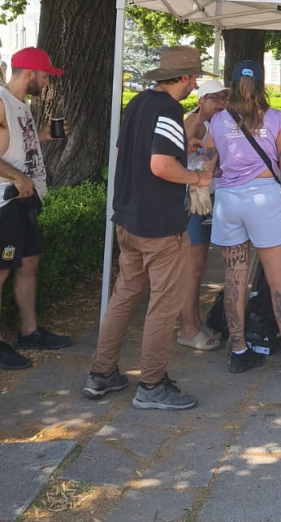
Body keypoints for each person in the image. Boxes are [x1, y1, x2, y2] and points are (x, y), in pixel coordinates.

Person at [83, 46, 213, 409]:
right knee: (163, 305)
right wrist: (198, 178)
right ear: (183, 77)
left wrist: (182, 145)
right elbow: (160, 165)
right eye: (193, 78)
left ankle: (101, 373)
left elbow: (129, 153)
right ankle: (152, 385)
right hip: (159, 226)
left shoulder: (138, 103)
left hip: (128, 219)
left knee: (124, 297)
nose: (194, 85)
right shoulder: (169, 109)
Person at [208, 59, 281, 380]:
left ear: (232, 84)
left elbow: (209, 161)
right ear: (262, 84)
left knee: (234, 280)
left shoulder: (218, 120)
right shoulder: (275, 118)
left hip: (228, 200)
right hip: (263, 199)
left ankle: (239, 352)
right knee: (278, 280)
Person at [0, 47, 72, 370]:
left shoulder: (21, 105)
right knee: (1, 269)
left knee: (28, 263)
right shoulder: (2, 102)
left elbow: (14, 147)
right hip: (7, 201)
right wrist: (18, 178)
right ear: (29, 73)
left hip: (25, 201)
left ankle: (29, 332)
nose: (47, 82)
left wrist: (41, 136)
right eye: (45, 76)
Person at [176, 78, 230, 351]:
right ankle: (188, 329)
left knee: (198, 266)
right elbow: (175, 158)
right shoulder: (195, 122)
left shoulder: (212, 124)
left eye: (224, 98)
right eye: (215, 98)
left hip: (206, 200)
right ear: (200, 100)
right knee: (193, 268)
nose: (221, 103)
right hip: (193, 203)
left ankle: (195, 323)